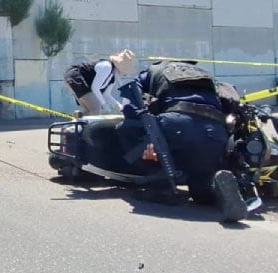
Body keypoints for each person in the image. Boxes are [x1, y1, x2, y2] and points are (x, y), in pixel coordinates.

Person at [124, 59, 246, 220]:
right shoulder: (205, 74)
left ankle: (160, 187)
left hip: (175, 123)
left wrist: (146, 138)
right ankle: (215, 192)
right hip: (215, 130)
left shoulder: (152, 71)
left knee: (127, 129)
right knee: (201, 181)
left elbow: (131, 104)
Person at [64, 49, 137, 116]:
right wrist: (104, 105)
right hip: (75, 76)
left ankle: (77, 123)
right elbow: (95, 88)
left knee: (90, 109)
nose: (122, 75)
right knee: (96, 107)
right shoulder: (107, 67)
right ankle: (82, 124)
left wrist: (119, 106)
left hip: (79, 80)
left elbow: (106, 95)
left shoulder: (113, 77)